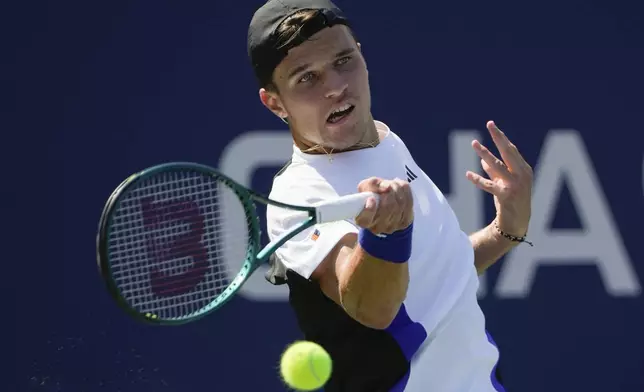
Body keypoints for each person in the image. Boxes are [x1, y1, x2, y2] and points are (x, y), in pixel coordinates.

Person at [247, 0, 533, 390]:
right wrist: (386, 238)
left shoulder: (384, 138)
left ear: (362, 56)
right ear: (275, 102)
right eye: (306, 78)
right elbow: (374, 308)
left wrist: (505, 230)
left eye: (343, 61)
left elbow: (438, 277)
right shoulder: (298, 195)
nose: (335, 87)